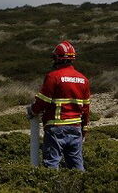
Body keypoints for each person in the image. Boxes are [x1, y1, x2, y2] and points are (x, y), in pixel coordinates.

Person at [29, 41, 91, 170]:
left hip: (56, 127)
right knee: (76, 166)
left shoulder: (53, 77)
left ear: (57, 58)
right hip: (76, 128)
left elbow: (42, 101)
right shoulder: (83, 79)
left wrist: (33, 111)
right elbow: (86, 109)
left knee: (51, 164)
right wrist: (84, 130)